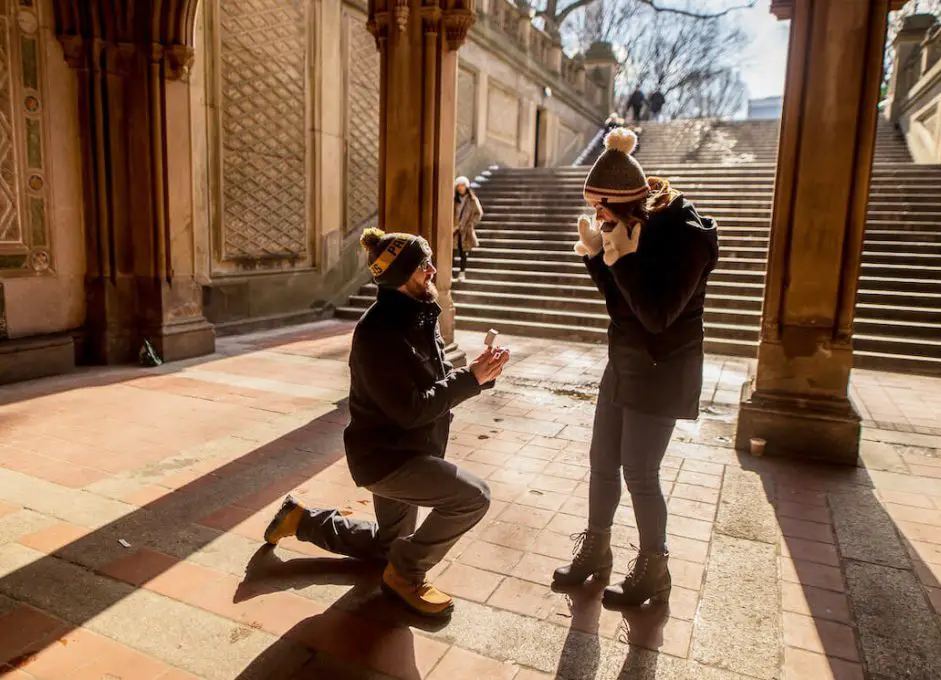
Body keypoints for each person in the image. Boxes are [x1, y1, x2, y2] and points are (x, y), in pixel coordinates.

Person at [263, 228, 511, 618]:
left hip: (412, 449)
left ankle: (301, 520)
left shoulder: (420, 312)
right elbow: (410, 410)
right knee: (473, 497)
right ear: (398, 277)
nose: (432, 269)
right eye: (421, 265)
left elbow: (440, 379)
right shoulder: (378, 333)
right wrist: (471, 379)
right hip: (389, 461)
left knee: (387, 544)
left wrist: (480, 371)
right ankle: (406, 574)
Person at [552, 128, 719, 608]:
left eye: (602, 210)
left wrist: (620, 260)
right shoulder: (624, 227)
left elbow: (657, 316)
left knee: (641, 472)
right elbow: (620, 306)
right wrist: (597, 260)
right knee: (602, 462)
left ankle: (654, 569)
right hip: (624, 361)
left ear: (627, 203)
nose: (598, 218)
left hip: (664, 368)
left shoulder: (685, 239)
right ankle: (596, 551)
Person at [453, 176, 482, 283]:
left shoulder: (472, 200)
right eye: (459, 186)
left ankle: (462, 273)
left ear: (467, 187)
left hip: (465, 230)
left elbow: (478, 214)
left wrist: (470, 225)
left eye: (463, 186)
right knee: (452, 252)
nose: (461, 188)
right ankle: (450, 274)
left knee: (463, 252)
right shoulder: (454, 200)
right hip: (455, 230)